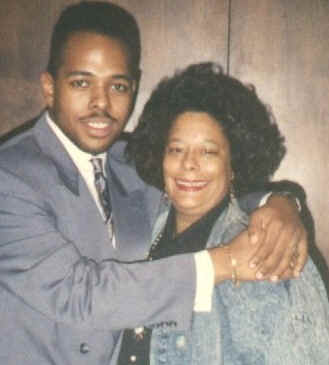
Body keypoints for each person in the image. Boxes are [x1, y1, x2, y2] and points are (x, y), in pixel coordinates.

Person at [0, 2, 307, 365]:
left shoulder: (131, 163)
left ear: (134, 88)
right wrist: (223, 263)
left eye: (118, 86)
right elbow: (80, 295)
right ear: (49, 88)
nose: (101, 104)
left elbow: (202, 183)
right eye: (81, 82)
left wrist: (279, 204)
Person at [118, 62, 329, 365]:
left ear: (233, 165)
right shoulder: (143, 228)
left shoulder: (266, 250)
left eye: (208, 152)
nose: (189, 164)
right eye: (176, 149)